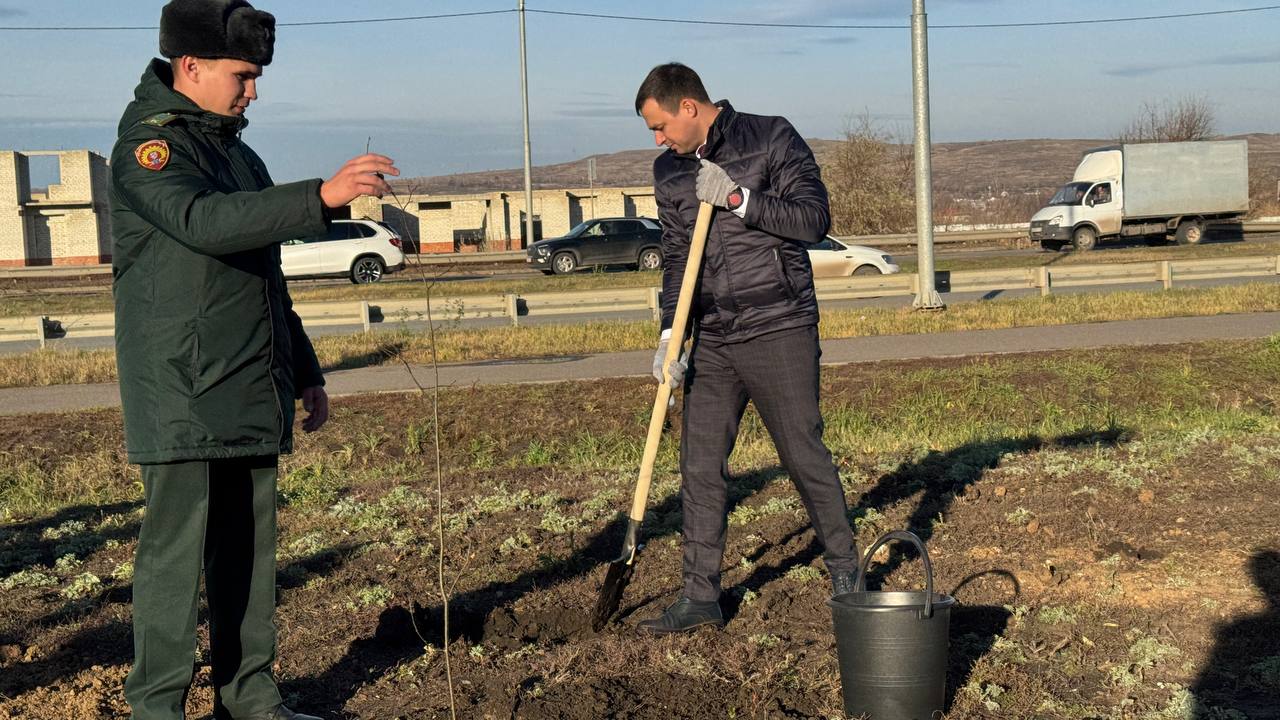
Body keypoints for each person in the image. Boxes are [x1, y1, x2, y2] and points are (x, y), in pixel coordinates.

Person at [109, 2, 397, 718]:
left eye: (258, 76)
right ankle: (156, 706)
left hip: (247, 383)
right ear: (191, 67)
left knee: (249, 555)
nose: (254, 91)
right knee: (175, 562)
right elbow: (203, 223)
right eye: (243, 75)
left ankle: (251, 698)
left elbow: (266, 274)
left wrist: (304, 370)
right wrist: (322, 197)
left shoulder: (240, 154)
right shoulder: (151, 149)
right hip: (183, 388)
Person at [633, 63, 859, 634]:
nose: (658, 140)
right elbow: (677, 257)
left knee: (802, 454)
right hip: (713, 337)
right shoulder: (669, 172)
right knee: (700, 465)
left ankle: (847, 575)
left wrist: (738, 198)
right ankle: (700, 596)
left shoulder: (770, 137)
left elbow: (813, 220)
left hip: (779, 325)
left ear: (688, 107)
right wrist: (670, 335)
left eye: (659, 126)